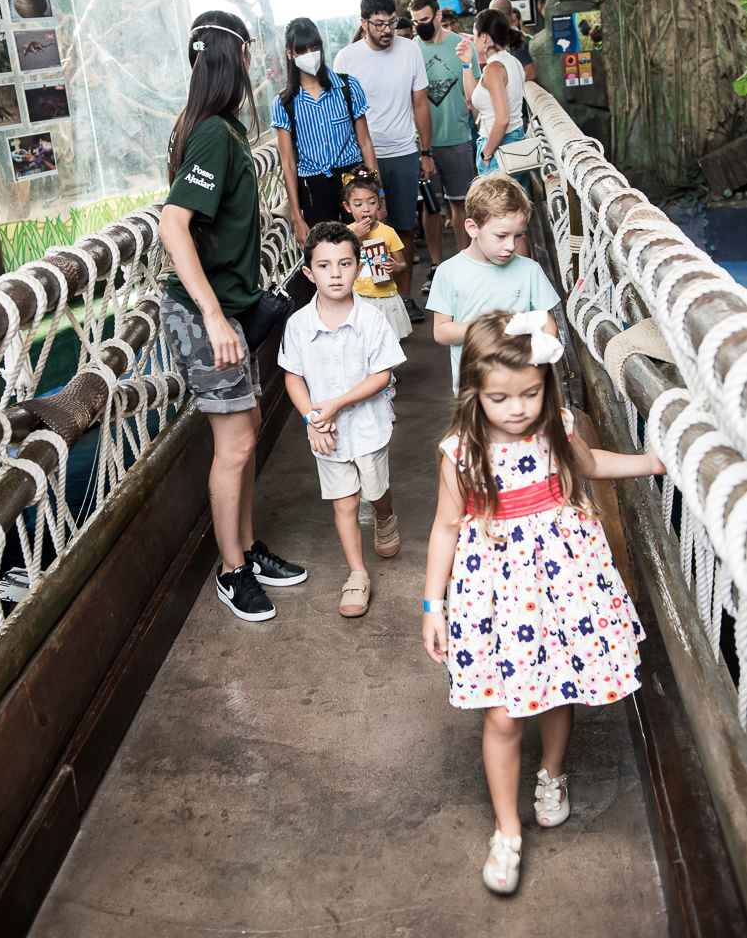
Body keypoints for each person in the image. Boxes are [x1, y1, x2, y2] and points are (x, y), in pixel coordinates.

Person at [423, 309, 662, 894]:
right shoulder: (461, 451)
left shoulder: (557, 425)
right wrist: (433, 604)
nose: (517, 408)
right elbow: (446, 528)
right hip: (497, 596)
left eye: (530, 393)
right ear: (474, 393)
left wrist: (655, 462)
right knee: (503, 714)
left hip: (565, 584)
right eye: (500, 397)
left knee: (560, 689)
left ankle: (551, 774)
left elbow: (592, 466)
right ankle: (507, 830)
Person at [158, 9, 307, 624]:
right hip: (206, 315)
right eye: (251, 50)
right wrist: (214, 317)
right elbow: (173, 225)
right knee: (237, 441)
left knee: (246, 431)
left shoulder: (221, 127)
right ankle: (230, 571)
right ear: (236, 56)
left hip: (233, 307)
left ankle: (245, 548)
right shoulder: (213, 135)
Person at [278, 222, 406, 618]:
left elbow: (382, 374)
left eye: (345, 264)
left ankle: (384, 515)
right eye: (324, 265)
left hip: (368, 427)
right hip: (327, 433)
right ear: (308, 272)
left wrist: (334, 404)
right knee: (345, 502)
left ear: (359, 267)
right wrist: (312, 418)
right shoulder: (298, 325)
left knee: (375, 490)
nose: (335, 274)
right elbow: (293, 376)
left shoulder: (371, 319)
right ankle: (357, 573)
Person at [334, 0, 435, 326]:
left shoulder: (410, 50)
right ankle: (369, 302)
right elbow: (342, 114)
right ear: (364, 23)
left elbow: (420, 103)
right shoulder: (346, 59)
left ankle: (402, 299)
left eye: (391, 22)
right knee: (367, 229)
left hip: (404, 151)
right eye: (379, 24)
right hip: (362, 160)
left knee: (403, 227)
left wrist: (425, 152)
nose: (387, 30)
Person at [427, 174, 559, 395]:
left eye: (518, 236)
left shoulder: (530, 270)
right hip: (474, 387)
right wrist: (492, 327)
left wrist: (536, 354)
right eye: (501, 236)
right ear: (473, 228)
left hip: (522, 382)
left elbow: (548, 325)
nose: (511, 246)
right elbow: (441, 332)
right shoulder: (448, 272)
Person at [271, 17, 378, 245]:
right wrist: (297, 217)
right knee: (325, 252)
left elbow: (365, 143)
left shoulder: (348, 87)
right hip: (313, 188)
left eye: (314, 47)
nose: (310, 55)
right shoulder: (283, 103)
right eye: (302, 50)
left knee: (366, 248)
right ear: (290, 54)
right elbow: (288, 163)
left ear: (321, 47)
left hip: (353, 178)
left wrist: (379, 195)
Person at [409, 0, 478, 297]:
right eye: (415, 21)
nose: (420, 26)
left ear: (438, 15)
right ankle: (437, 266)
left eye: (424, 19)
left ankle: (464, 266)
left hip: (458, 137)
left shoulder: (462, 46)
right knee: (431, 205)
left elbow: (474, 91)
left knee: (460, 203)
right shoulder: (410, 50)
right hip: (422, 143)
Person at [456, 10, 528, 183]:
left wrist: (486, 153)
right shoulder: (512, 61)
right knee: (516, 198)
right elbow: (471, 96)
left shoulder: (493, 69)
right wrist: (466, 64)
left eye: (475, 35)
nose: (473, 40)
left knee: (497, 201)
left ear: (484, 37)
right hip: (516, 143)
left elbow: (502, 119)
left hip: (497, 147)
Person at [343, 165, 412, 342]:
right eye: (358, 204)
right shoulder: (345, 233)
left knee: (388, 342)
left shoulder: (388, 232)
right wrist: (354, 236)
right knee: (363, 341)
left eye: (372, 202)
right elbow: (338, 257)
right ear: (348, 207)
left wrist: (395, 266)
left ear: (379, 203)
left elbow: (403, 265)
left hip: (386, 298)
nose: (366, 209)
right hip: (358, 299)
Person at [488, 0, 536, 83]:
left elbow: (529, 73)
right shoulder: (505, 37)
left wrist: (504, 84)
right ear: (511, 11)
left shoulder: (513, 38)